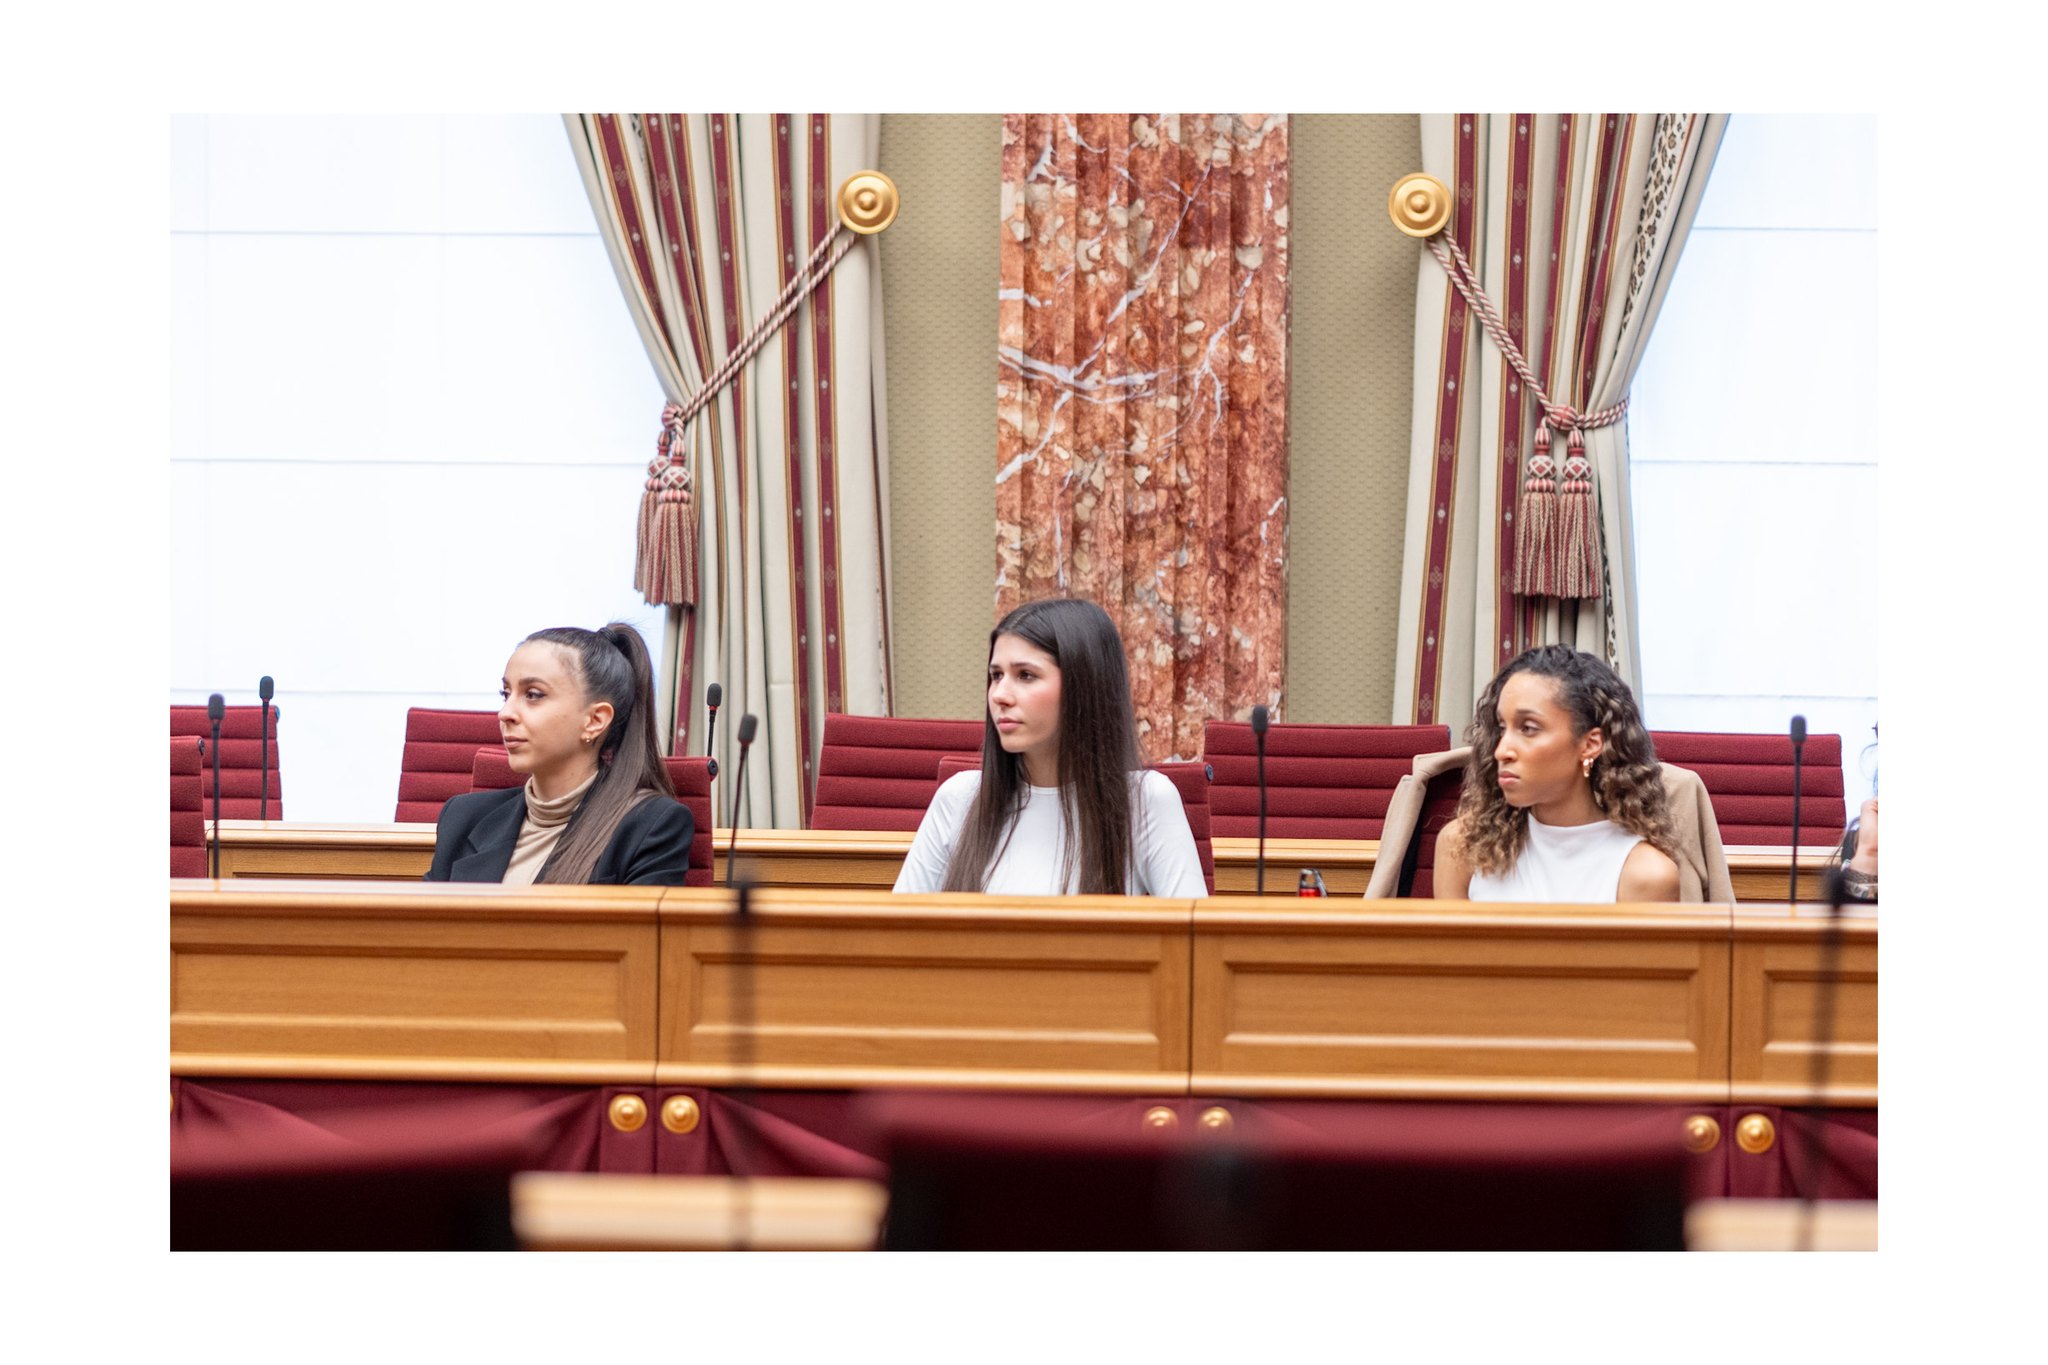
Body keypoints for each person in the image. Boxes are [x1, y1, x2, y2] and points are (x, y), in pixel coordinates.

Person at [893, 597, 1207, 897]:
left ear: (1084, 686)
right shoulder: (959, 796)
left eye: (1025, 675)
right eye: (996, 675)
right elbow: (893, 936)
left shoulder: (1145, 800)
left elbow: (1197, 945)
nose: (999, 694)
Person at [425, 623, 693, 885]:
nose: (505, 713)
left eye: (533, 694)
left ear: (595, 720)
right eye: (505, 694)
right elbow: (424, 927)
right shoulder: (462, 816)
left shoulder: (651, 825)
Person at [1434, 644, 1680, 903]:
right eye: (1502, 727)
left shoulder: (1646, 875)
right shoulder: (1463, 846)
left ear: (1590, 745)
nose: (1501, 750)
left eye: (1528, 728)